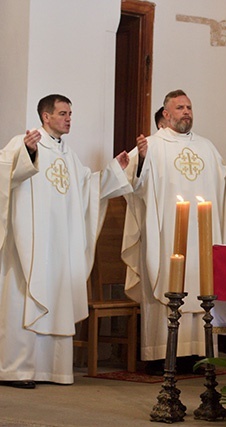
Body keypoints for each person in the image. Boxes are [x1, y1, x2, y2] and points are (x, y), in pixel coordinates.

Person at [0, 94, 132, 388]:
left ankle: (52, 369)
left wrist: (114, 171)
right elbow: (6, 172)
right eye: (62, 113)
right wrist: (27, 152)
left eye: (70, 113)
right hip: (31, 243)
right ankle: (17, 370)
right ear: (46, 117)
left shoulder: (68, 155)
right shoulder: (23, 143)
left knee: (56, 295)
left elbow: (88, 187)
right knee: (25, 296)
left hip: (59, 243)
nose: (68, 118)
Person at [121, 89, 226, 364]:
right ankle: (162, 356)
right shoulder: (152, 145)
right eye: (180, 108)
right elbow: (133, 182)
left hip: (200, 234)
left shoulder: (205, 146)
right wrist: (142, 160)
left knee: (199, 285)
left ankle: (198, 354)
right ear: (166, 114)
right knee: (168, 283)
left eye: (189, 108)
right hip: (166, 234)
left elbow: (225, 181)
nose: (186, 112)